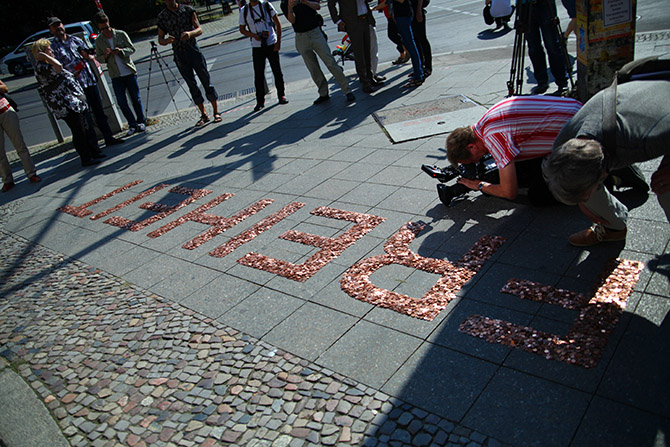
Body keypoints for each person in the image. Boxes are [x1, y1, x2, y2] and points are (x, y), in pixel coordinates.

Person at [542, 80, 670, 246]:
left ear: (603, 174)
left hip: (660, 103)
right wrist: (582, 201)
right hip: (620, 114)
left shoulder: (645, 142)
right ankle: (614, 229)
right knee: (580, 187)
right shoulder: (562, 146)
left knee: (665, 188)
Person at [446, 95, 582, 203]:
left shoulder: (493, 137)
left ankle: (582, 188)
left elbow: (509, 192)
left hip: (581, 137)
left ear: (471, 146)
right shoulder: (486, 121)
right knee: (519, 170)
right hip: (576, 110)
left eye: (471, 160)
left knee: (538, 196)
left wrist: (479, 185)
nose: (476, 161)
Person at [48, 17, 123, 146]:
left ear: (63, 25)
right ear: (51, 30)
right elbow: (57, 68)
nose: (58, 28)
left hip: (89, 80)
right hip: (75, 87)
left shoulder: (75, 40)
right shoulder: (53, 47)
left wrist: (88, 56)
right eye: (54, 26)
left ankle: (109, 138)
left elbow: (91, 55)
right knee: (86, 117)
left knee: (99, 111)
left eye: (59, 24)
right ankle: (94, 145)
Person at [32, 39, 105, 167]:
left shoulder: (49, 64)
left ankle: (93, 152)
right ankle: (85, 157)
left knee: (86, 127)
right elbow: (59, 68)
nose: (52, 51)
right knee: (78, 130)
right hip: (64, 104)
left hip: (74, 100)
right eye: (49, 50)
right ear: (42, 52)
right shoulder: (41, 66)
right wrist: (44, 56)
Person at [157, 0, 221, 126]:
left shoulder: (187, 10)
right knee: (191, 84)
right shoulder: (162, 17)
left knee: (206, 80)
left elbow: (199, 29)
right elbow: (160, 39)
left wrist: (190, 33)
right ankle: (203, 114)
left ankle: (216, 111)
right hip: (179, 54)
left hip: (193, 50)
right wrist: (166, 41)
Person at [280, 0, 355, 104]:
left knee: (330, 62)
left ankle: (347, 90)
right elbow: (292, 20)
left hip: (315, 32)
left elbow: (317, 7)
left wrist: (305, 2)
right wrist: (289, 8)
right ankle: (323, 93)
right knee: (313, 67)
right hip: (301, 36)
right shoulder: (285, 3)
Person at [94, 12, 146, 137]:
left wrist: (121, 51)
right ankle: (132, 124)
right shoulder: (99, 40)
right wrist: (105, 56)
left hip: (128, 71)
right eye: (102, 29)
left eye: (107, 27)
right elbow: (99, 58)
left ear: (109, 24)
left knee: (136, 99)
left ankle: (141, 122)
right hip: (115, 75)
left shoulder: (121, 34)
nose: (105, 31)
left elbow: (132, 48)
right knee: (121, 102)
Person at [239, 0, 289, 112]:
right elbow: (242, 29)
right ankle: (260, 101)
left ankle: (281, 95)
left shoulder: (266, 5)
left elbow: (278, 23)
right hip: (257, 46)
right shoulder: (245, 10)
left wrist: (278, 42)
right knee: (258, 75)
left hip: (271, 43)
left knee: (277, 71)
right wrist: (253, 35)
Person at [328, 0, 378, 93]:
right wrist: (338, 20)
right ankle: (365, 82)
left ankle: (370, 77)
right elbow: (331, 4)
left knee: (367, 51)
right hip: (352, 22)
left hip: (365, 19)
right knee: (359, 53)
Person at [0, 80, 40, 193]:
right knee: (0, 153)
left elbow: (4, 88)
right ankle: (7, 180)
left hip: (5, 111)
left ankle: (31, 173)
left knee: (19, 144)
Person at [522, 0, 568, 95]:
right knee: (534, 47)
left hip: (545, 4)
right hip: (525, 5)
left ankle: (562, 81)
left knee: (553, 45)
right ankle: (542, 81)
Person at [392, 0, 423, 88]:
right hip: (401, 14)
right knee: (410, 45)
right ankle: (418, 73)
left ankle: (418, 76)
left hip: (404, 15)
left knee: (411, 45)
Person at [373, 0, 409, 66]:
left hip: (394, 15)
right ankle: (403, 54)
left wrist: (374, 8)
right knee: (397, 35)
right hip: (389, 15)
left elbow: (386, 2)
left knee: (393, 35)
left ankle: (407, 50)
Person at [411, 0, 432, 77]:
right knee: (415, 41)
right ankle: (420, 67)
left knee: (422, 39)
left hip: (417, 10)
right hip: (410, 12)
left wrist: (419, 11)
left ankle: (428, 67)